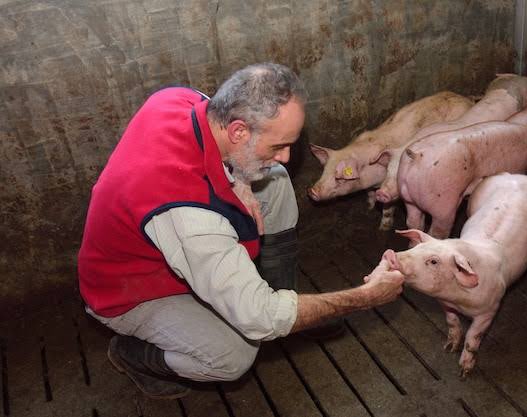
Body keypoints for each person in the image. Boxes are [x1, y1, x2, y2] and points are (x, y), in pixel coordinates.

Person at [77, 63, 405, 400]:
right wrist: (365, 298)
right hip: (130, 291)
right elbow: (256, 319)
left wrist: (240, 177)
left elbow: (216, 133)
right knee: (234, 354)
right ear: (238, 133)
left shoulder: (177, 99)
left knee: (274, 179)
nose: (287, 155)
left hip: (158, 241)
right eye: (279, 145)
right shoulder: (189, 215)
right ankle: (132, 355)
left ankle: (286, 303)